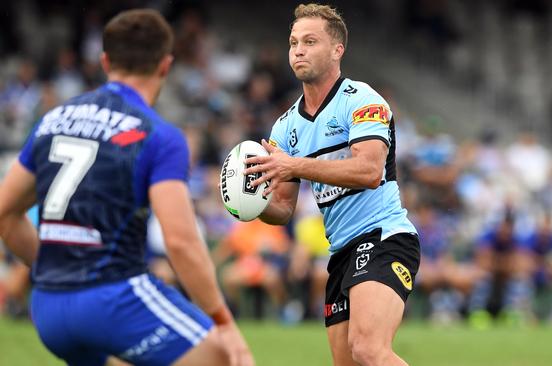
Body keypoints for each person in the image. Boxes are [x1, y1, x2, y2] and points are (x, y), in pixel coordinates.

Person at [0, 9, 254, 366]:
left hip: (48, 308)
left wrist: (50, 271)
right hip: (112, 298)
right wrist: (224, 322)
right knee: (223, 355)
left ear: (105, 61)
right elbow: (180, 241)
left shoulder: (52, 120)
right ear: (165, 65)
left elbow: (5, 212)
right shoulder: (160, 136)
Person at [244, 4, 420, 365]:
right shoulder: (285, 127)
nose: (298, 50)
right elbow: (283, 209)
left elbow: (369, 172)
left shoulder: (363, 100)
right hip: (340, 253)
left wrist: (292, 164)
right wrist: (249, 201)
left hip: (384, 236)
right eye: (294, 42)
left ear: (337, 50)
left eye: (310, 41)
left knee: (369, 350)